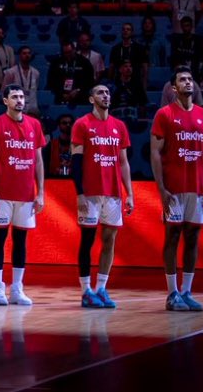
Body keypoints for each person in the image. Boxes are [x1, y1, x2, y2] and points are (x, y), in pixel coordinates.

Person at [151, 68, 203, 312]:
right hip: (174, 188)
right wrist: (161, 189)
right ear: (174, 88)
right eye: (183, 79)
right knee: (172, 235)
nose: (188, 82)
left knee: (193, 237)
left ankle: (187, 291)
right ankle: (172, 294)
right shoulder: (164, 115)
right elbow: (155, 153)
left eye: (191, 79)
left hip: (198, 188)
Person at [0, 85, 47, 306]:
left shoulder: (35, 125)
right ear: (5, 101)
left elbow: (38, 161)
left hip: (26, 195)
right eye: (14, 97)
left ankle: (17, 289)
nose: (19, 100)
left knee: (21, 241)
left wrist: (41, 193)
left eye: (21, 97)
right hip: (2, 195)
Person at [71, 84, 134, 309]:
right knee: (87, 240)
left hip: (114, 193)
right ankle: (86, 290)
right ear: (91, 99)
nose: (105, 96)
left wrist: (130, 193)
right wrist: (79, 192)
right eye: (100, 92)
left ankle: (102, 289)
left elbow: (124, 162)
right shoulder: (82, 125)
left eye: (108, 92)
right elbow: (76, 162)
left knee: (109, 240)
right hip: (90, 193)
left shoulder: (119, 126)